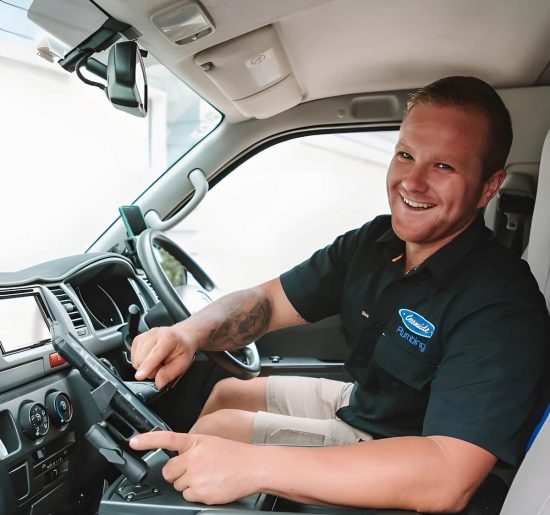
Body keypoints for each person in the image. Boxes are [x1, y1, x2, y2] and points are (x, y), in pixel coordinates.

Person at [129, 76, 550, 512]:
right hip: (367, 403)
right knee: (227, 395)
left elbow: (446, 477)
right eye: (406, 155)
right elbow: (268, 301)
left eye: (443, 166)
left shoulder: (501, 305)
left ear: (488, 186)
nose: (413, 182)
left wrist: (251, 466)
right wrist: (188, 333)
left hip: (404, 448)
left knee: (224, 432)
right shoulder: (376, 241)